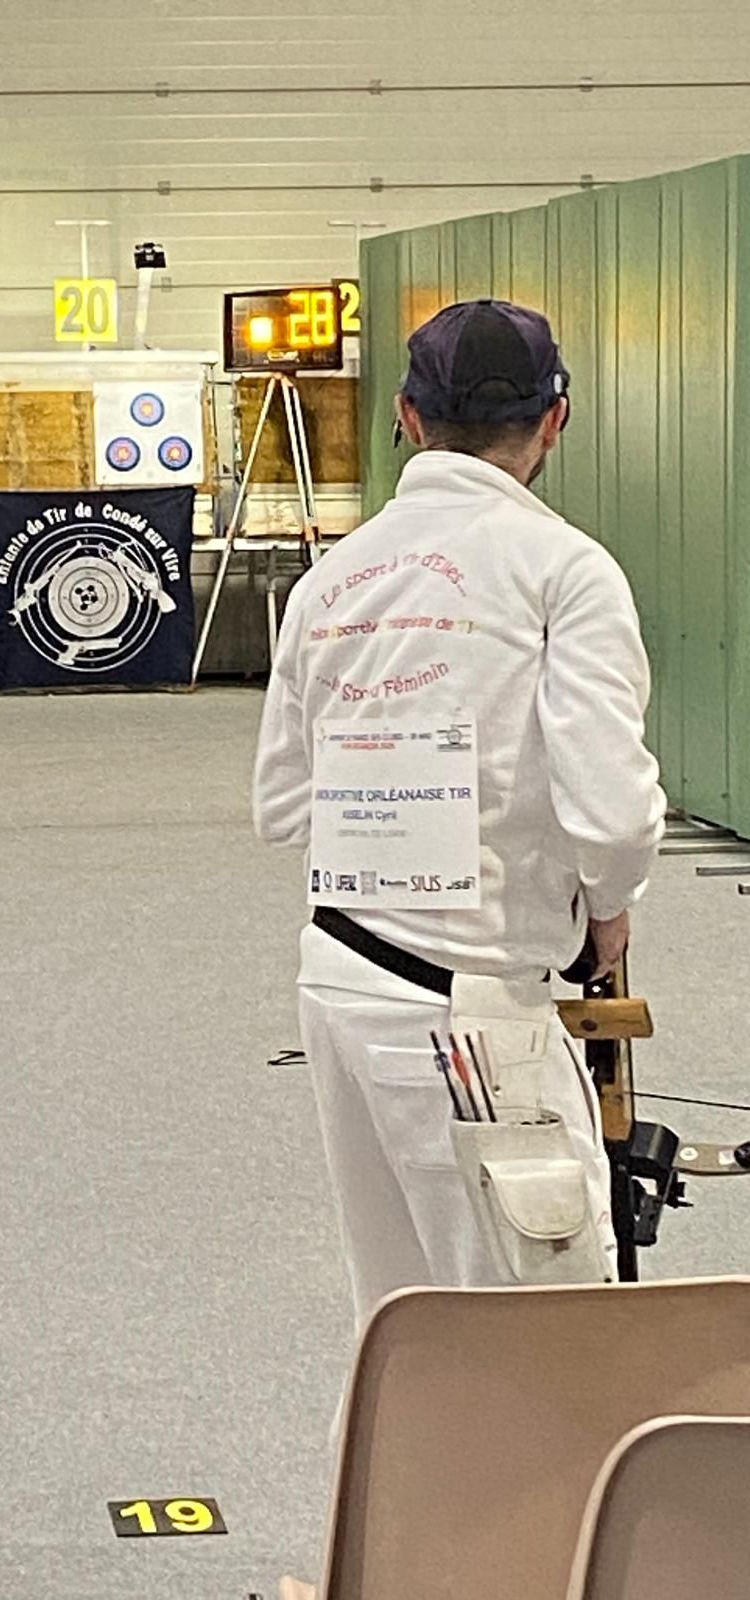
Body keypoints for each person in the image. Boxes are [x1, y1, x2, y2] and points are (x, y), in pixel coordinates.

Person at [253, 298, 666, 1332]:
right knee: (545, 1345)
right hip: (474, 1011)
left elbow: (281, 805)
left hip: (338, 983)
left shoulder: (330, 581)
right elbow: (613, 815)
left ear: (407, 416)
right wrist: (608, 907)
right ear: (555, 421)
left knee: (407, 1322)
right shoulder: (565, 570)